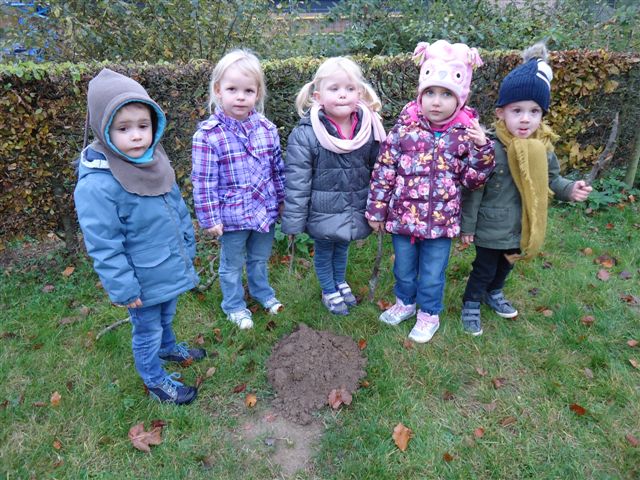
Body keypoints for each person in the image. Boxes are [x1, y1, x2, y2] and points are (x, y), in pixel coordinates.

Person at [74, 69, 203, 405]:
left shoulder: (154, 161)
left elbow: (176, 207)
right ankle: (155, 380)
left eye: (143, 126)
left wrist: (187, 246)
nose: (136, 136)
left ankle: (168, 347)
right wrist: (124, 287)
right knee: (147, 329)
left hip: (167, 265)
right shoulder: (97, 185)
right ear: (103, 129)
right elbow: (104, 244)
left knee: (167, 315)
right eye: (123, 128)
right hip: (140, 279)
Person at [366, 40, 495, 343]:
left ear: (460, 98)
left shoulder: (465, 135)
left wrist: (481, 148)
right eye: (431, 93)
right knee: (404, 268)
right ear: (420, 95)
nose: (437, 101)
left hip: (440, 223)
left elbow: (473, 180)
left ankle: (429, 314)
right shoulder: (404, 129)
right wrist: (376, 210)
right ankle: (405, 303)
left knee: (433, 274)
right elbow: (384, 170)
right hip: (403, 219)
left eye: (446, 94)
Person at [460, 43, 592, 336]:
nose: (525, 119)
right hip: (490, 228)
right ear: (501, 112)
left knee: (507, 265)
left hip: (522, 226)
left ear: (542, 115)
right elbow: (474, 191)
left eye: (534, 111)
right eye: (517, 110)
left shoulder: (542, 149)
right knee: (484, 268)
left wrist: (570, 189)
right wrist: (467, 227)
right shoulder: (490, 148)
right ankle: (471, 302)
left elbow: (552, 179)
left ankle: (494, 292)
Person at [281, 57, 387, 315]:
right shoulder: (306, 134)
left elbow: (380, 169)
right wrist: (294, 222)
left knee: (342, 246)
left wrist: (380, 207)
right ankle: (328, 289)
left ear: (359, 93)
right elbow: (297, 181)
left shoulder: (368, 128)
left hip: (353, 205)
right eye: (334, 88)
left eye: (350, 89)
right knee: (325, 249)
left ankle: (340, 281)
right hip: (323, 209)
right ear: (318, 96)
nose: (342, 94)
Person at [191, 49, 285, 330]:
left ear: (258, 94)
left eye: (248, 91)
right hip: (232, 215)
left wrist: (282, 201)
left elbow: (277, 170)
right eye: (232, 89)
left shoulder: (267, 129)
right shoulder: (208, 135)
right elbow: (203, 181)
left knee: (259, 258)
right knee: (232, 265)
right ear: (218, 91)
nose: (240, 97)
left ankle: (262, 293)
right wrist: (211, 218)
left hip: (264, 212)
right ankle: (234, 306)